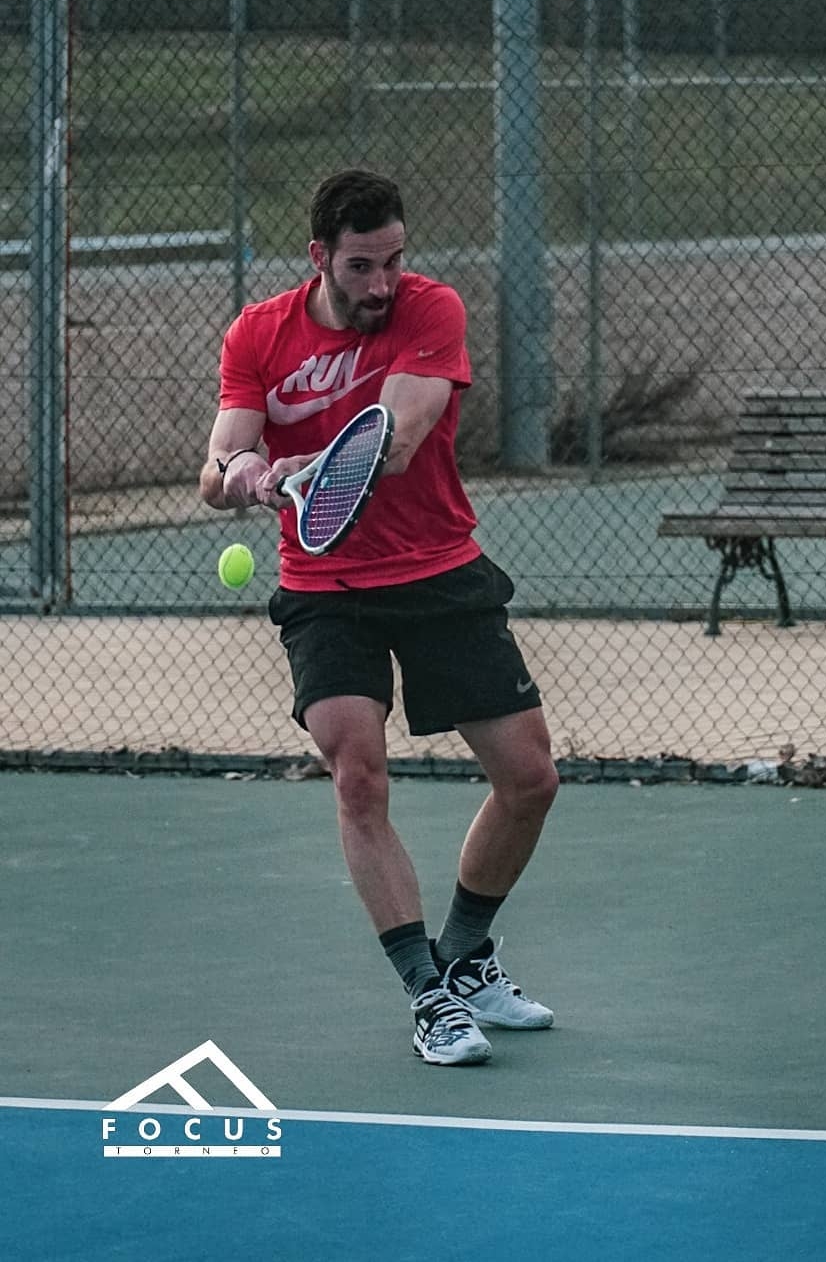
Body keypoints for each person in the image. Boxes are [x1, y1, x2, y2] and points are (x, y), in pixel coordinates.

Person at [199, 168, 559, 1066]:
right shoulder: (258, 333)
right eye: (362, 266)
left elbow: (393, 441)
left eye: (393, 260)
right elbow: (218, 463)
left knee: (530, 779)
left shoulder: (430, 309)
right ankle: (427, 992)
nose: (382, 282)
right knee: (356, 775)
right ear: (319, 257)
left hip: (439, 570)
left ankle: (465, 954)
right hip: (324, 588)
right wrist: (242, 473)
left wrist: (306, 464)